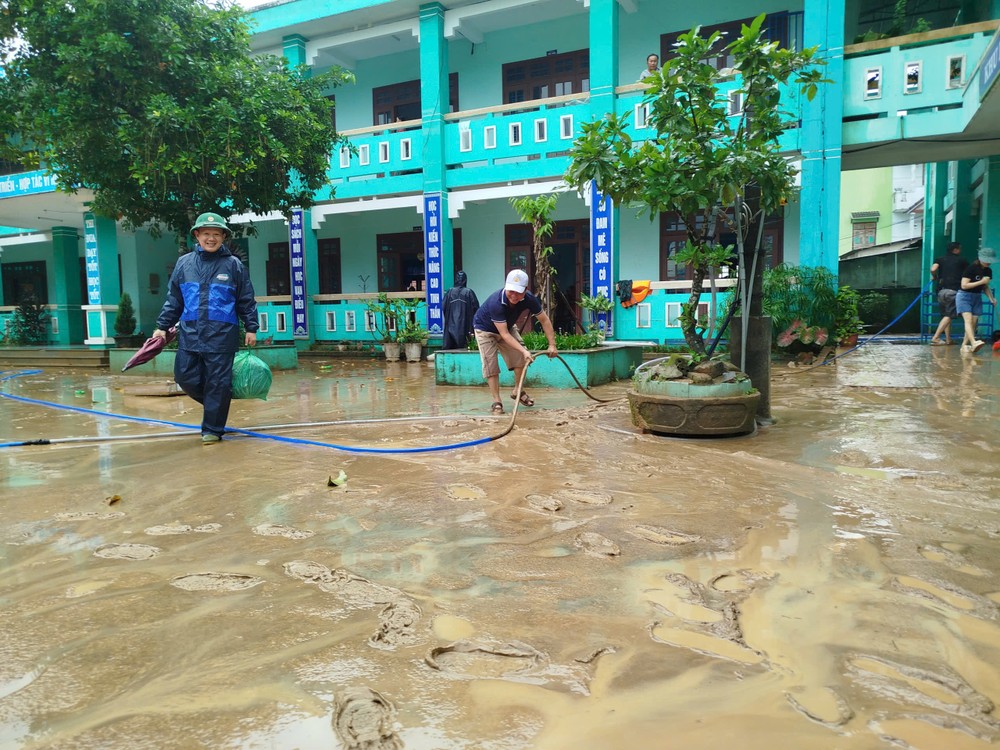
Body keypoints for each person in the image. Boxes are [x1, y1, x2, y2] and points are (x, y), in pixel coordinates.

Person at [153, 212, 259, 443]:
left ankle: (212, 429)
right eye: (206, 234)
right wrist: (163, 326)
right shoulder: (184, 264)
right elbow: (174, 299)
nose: (211, 238)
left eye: (216, 234)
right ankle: (218, 403)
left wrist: (251, 327)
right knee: (185, 377)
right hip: (190, 334)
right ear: (197, 235)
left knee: (218, 383)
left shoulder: (233, 265)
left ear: (223, 237)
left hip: (222, 336)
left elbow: (246, 298)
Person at [472, 269, 558, 414]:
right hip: (485, 330)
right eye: (511, 291)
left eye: (518, 292)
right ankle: (497, 401)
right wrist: (524, 351)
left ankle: (518, 391)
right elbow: (504, 335)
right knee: (491, 366)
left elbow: (544, 320)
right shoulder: (496, 302)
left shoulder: (530, 299)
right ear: (506, 286)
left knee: (521, 360)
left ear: (525, 290)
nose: (514, 295)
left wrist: (552, 345)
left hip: (507, 326)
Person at [955, 247, 996, 354]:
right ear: (980, 258)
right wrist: (981, 281)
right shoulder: (971, 268)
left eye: (990, 260)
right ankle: (973, 342)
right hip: (964, 296)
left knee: (973, 322)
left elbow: (985, 287)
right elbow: (964, 285)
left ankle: (964, 345)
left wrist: (991, 298)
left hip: (977, 296)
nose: (988, 262)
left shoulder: (988, 270)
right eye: (986, 259)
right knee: (968, 320)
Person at [929, 241, 965, 345]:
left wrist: (934, 276)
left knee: (945, 315)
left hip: (941, 291)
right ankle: (936, 337)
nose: (960, 250)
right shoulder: (961, 260)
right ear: (955, 250)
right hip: (953, 290)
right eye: (959, 248)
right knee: (950, 315)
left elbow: (933, 268)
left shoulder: (940, 259)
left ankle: (948, 339)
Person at [441, 270, 480, 350]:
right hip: (465, 324)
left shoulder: (449, 292)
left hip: (451, 325)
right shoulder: (469, 292)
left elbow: (443, 307)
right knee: (466, 342)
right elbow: (476, 308)